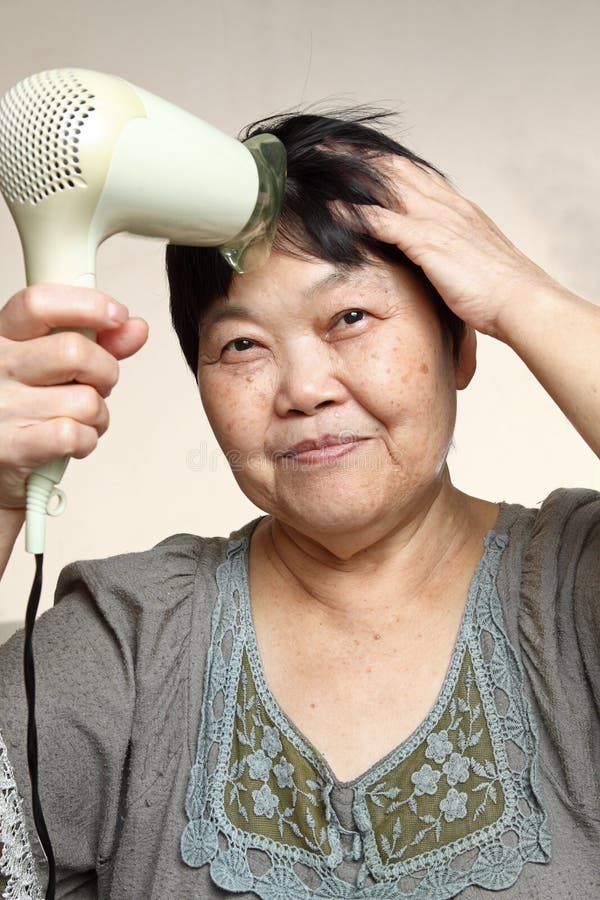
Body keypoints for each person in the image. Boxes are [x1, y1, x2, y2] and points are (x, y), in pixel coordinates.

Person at [0, 107, 599, 900]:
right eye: (242, 345)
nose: (305, 390)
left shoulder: (573, 593)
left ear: (461, 342)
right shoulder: (128, 640)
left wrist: (523, 293)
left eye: (351, 317)